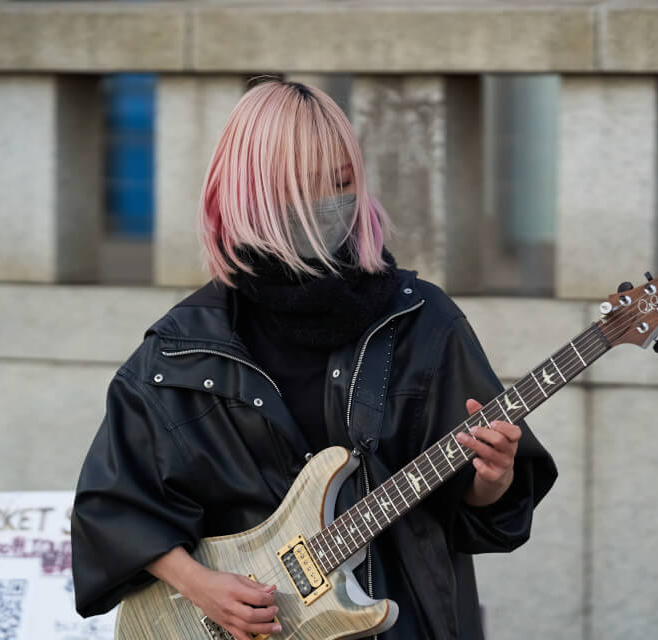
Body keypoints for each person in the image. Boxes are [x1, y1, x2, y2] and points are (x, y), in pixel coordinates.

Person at [71, 79, 557, 640]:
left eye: (344, 182)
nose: (331, 204)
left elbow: (476, 515)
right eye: (306, 189)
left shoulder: (424, 321)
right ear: (251, 194)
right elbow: (113, 507)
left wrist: (492, 481)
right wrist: (201, 586)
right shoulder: (180, 348)